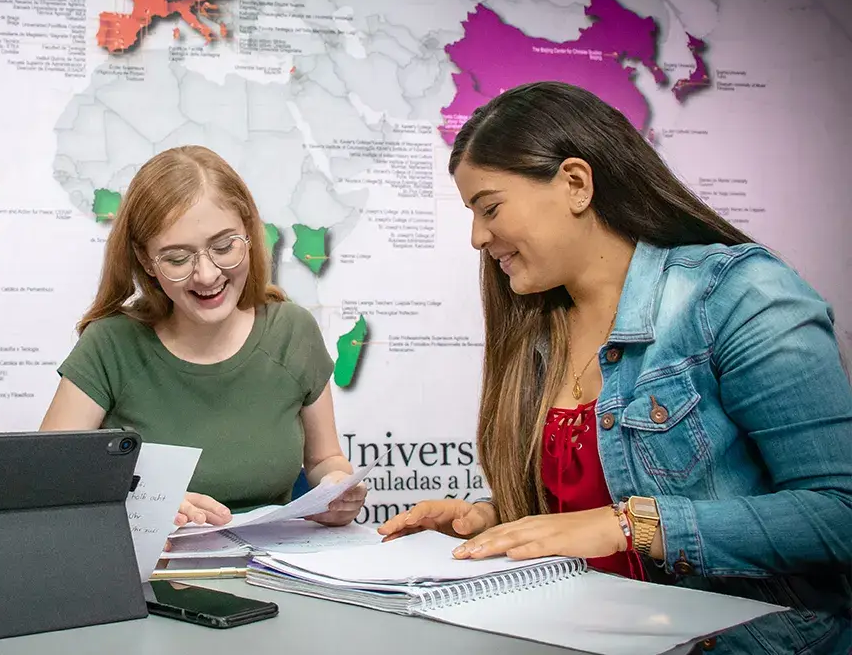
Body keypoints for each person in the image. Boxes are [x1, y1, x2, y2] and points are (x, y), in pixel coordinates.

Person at [377, 81, 852, 653]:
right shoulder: (539, 328)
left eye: (490, 208)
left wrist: (632, 526)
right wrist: (493, 520)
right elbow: (587, 503)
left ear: (576, 184)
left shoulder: (737, 295)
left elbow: (838, 513)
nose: (478, 237)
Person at [41, 145, 366, 528]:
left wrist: (337, 488)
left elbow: (324, 459)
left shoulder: (292, 332)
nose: (207, 275)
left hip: (270, 562)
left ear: (249, 233)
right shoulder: (110, 345)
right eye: (177, 258)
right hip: (151, 565)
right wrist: (145, 498)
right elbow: (47, 477)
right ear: (146, 260)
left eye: (224, 246)